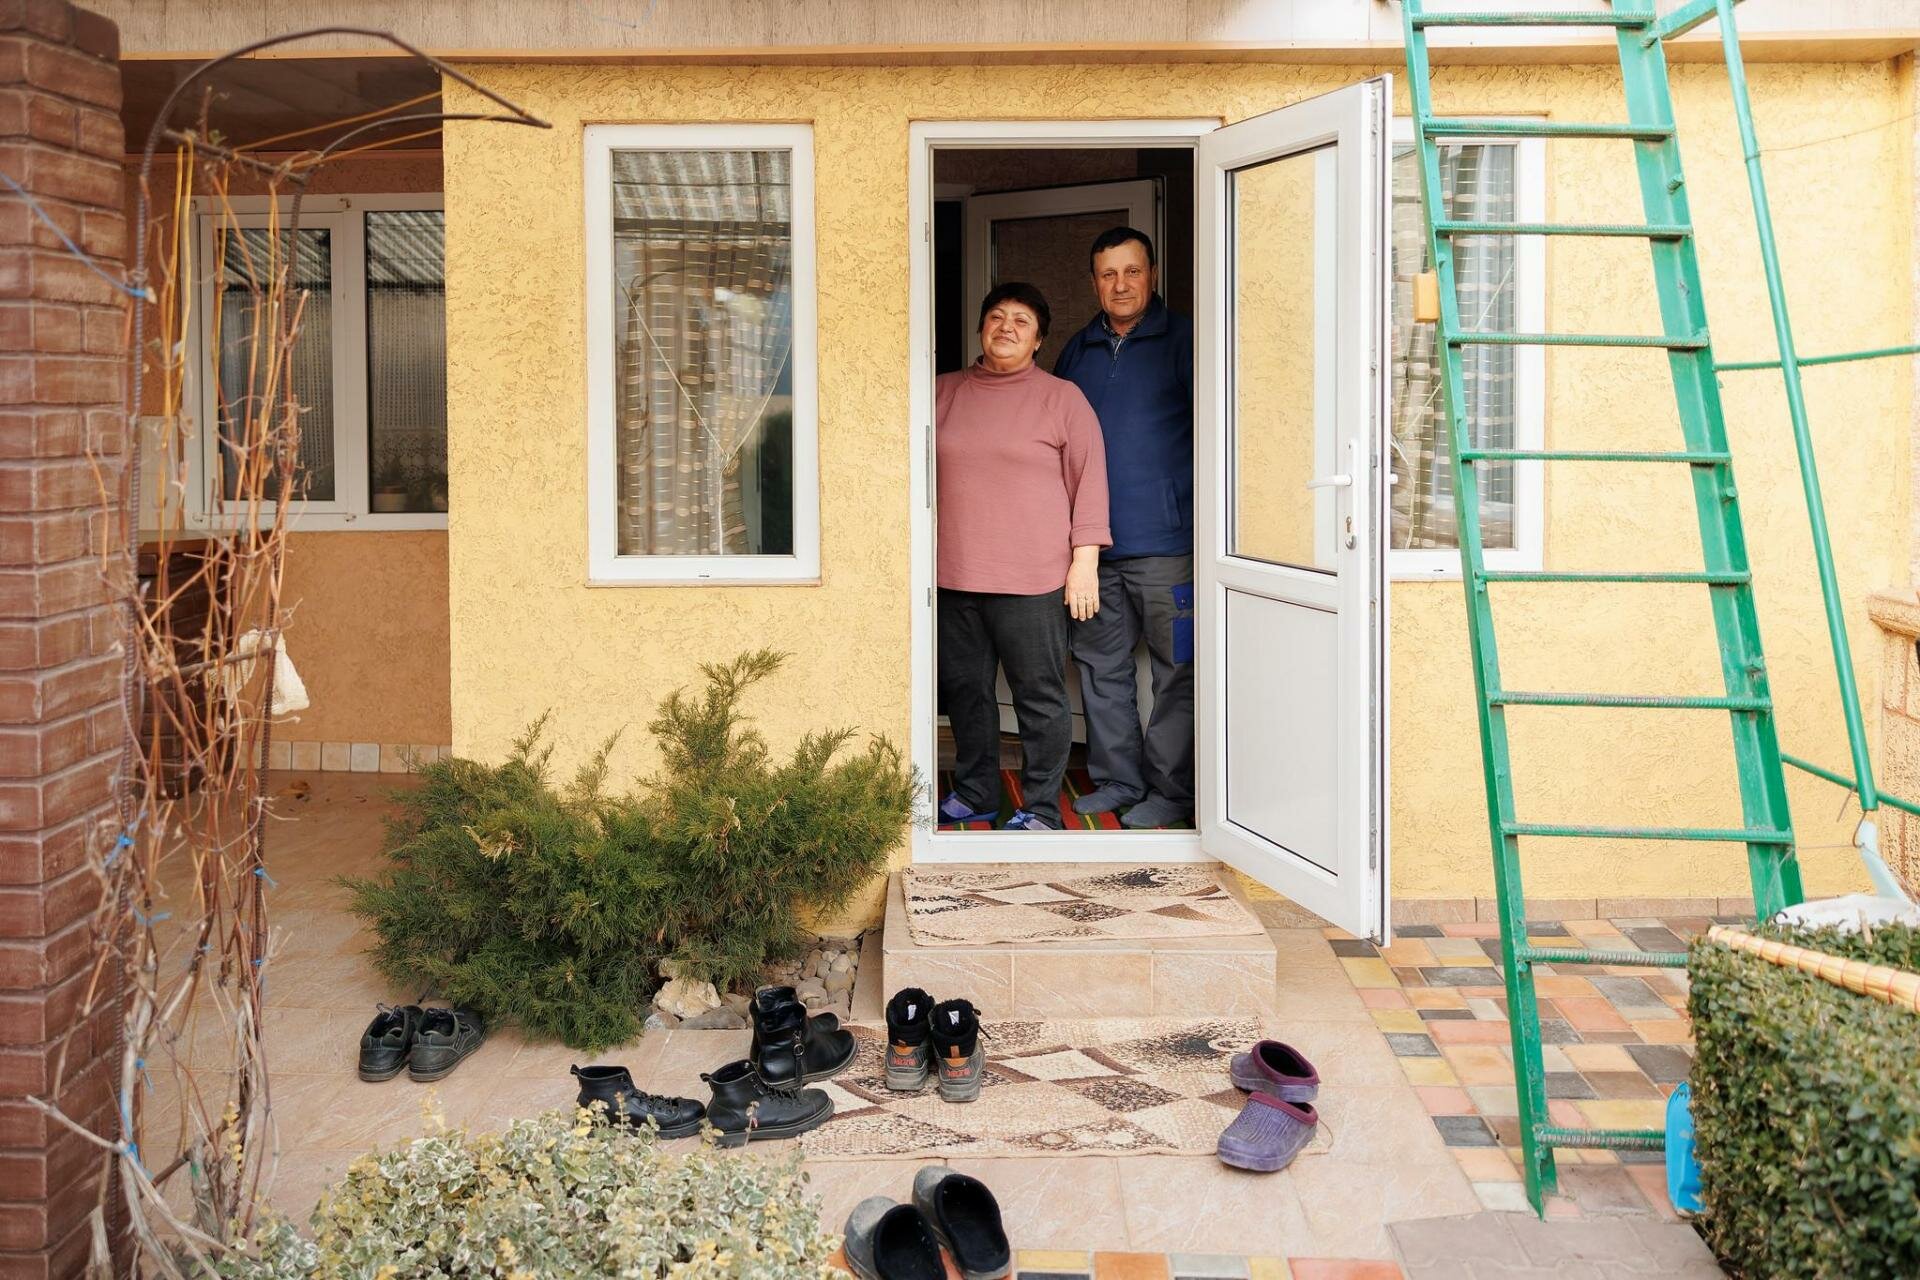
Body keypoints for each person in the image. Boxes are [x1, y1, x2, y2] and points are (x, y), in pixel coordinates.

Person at [936, 282, 1111, 831]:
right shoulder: (941, 392)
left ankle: (1039, 808)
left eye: (1022, 321)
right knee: (966, 693)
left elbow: (1090, 485)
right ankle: (976, 791)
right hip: (954, 575)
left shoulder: (1062, 398)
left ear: (1038, 340)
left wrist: (1084, 563)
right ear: (981, 327)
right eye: (996, 316)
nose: (1006, 327)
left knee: (1039, 698)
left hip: (1034, 578)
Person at [1051, 227, 1195, 829]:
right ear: (1094, 282)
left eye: (1131, 271)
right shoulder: (1076, 351)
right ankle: (1117, 779)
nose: (1121, 285)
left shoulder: (1186, 339)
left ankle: (1171, 790)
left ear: (1152, 274)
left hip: (1170, 548)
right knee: (1100, 669)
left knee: (1178, 670)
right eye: (1108, 274)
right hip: (1094, 551)